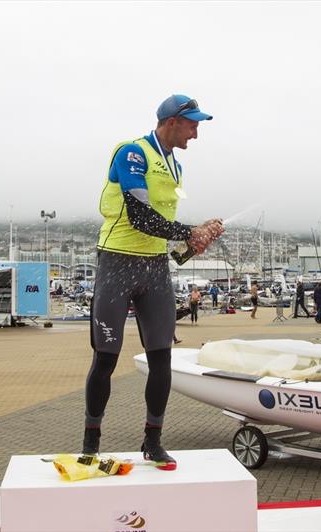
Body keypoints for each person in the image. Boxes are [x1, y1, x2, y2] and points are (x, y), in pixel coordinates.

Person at [83, 94, 223, 470]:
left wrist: (193, 243)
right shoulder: (132, 152)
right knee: (105, 360)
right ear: (172, 121)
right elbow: (140, 218)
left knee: (163, 359)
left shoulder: (175, 166)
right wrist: (187, 230)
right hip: (117, 262)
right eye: (192, 124)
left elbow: (168, 237)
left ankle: (153, 441)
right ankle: (91, 444)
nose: (196, 132)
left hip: (155, 267)